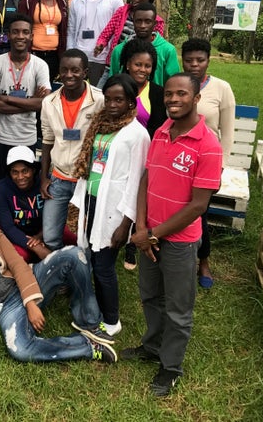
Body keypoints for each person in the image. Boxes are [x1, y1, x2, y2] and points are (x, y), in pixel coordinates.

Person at [122, 73, 222, 397]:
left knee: (179, 308)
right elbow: (145, 181)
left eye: (182, 94)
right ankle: (152, 346)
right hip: (149, 235)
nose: (173, 100)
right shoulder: (161, 132)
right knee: (151, 296)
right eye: (169, 95)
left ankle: (170, 367)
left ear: (196, 99)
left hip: (178, 242)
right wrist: (140, 228)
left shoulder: (208, 145)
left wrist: (152, 234)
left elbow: (198, 206)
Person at [0, 206, 117, 363]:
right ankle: (88, 347)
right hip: (6, 305)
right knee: (19, 349)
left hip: (28, 281)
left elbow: (18, 265)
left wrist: (30, 303)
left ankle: (90, 322)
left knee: (73, 254)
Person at [70, 74, 150, 336]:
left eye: (120, 99)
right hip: (93, 201)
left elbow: (137, 181)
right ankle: (94, 308)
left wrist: (126, 223)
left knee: (104, 265)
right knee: (91, 257)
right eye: (109, 99)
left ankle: (112, 321)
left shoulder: (137, 134)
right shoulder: (101, 124)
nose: (113, 104)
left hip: (114, 210)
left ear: (131, 102)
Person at [182, 38, 236, 289]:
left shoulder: (222, 88)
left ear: (208, 60)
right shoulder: (178, 84)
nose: (194, 64)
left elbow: (227, 130)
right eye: (189, 59)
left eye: (199, 60)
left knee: (200, 211)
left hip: (207, 160)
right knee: (178, 207)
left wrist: (221, 165)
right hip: (180, 157)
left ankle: (203, 261)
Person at [40, 49, 104, 250]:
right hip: (58, 178)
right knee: (50, 236)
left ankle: (82, 271)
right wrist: (44, 177)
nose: (69, 75)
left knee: (85, 236)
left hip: (86, 178)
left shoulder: (99, 101)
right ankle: (58, 271)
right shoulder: (49, 102)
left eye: (75, 70)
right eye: (64, 70)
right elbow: (47, 140)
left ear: (85, 72)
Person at [117, 38, 168, 270]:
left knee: (139, 199)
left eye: (147, 66)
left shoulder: (157, 93)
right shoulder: (116, 87)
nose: (142, 70)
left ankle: (132, 244)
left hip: (144, 157)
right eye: (138, 65)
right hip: (117, 154)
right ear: (128, 64)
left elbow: (160, 128)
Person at [0, 13, 51, 186]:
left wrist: (5, 98)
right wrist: (31, 103)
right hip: (0, 138)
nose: (20, 36)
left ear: (31, 36)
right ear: (8, 35)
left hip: (27, 138)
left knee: (25, 186)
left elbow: (44, 103)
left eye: (25, 32)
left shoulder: (40, 66)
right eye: (15, 32)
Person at [94, 0, 168, 87]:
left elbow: (154, 46)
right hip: (117, 64)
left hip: (140, 68)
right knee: (101, 94)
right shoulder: (122, 12)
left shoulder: (157, 21)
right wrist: (101, 43)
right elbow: (107, 32)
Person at [67, 0, 124, 85]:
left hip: (102, 60)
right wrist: (70, 56)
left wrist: (111, 59)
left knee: (98, 97)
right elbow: (71, 30)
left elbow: (118, 32)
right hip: (79, 59)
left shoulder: (114, 0)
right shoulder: (77, 1)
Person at [0, 146, 50, 262]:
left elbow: (54, 217)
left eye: (25, 171)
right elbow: (8, 227)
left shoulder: (45, 183)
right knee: (21, 256)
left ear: (33, 170)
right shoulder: (1, 188)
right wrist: (36, 247)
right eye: (15, 172)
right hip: (14, 234)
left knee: (71, 237)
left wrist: (39, 237)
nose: (20, 177)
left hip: (43, 231)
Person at [109, 2, 180, 87]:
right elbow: (113, 80)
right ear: (133, 23)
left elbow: (174, 83)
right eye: (138, 21)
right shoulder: (119, 50)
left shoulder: (168, 50)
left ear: (154, 24)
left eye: (147, 21)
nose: (142, 26)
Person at [19, 0, 68, 81]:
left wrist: (62, 56)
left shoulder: (61, 2)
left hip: (54, 55)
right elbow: (20, 25)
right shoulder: (30, 0)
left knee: (48, 87)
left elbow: (63, 30)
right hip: (34, 53)